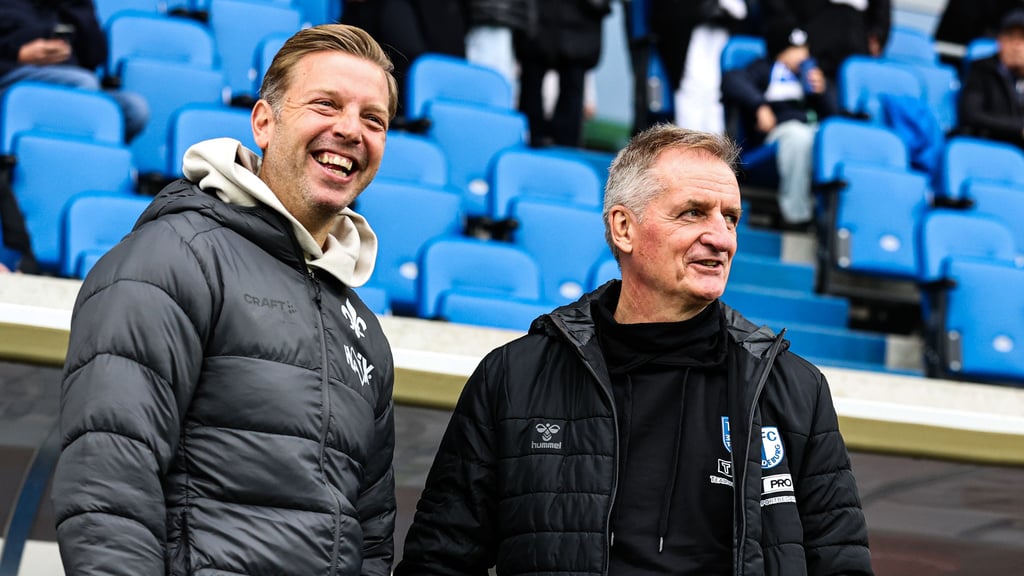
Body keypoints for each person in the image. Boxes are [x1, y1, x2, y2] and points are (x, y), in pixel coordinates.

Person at [396, 124, 873, 576]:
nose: (721, 237)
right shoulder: (513, 376)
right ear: (623, 227)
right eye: (694, 212)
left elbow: (842, 564)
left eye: (730, 218)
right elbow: (438, 561)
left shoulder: (795, 389)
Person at [52, 24, 398, 575]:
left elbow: (373, 539)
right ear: (264, 121)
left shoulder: (363, 330)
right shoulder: (171, 258)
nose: (351, 130)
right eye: (325, 104)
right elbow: (108, 485)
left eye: (373, 119)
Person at [722, 24, 837, 229]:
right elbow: (732, 79)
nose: (802, 56)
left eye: (805, 50)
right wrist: (760, 105)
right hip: (778, 133)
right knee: (798, 136)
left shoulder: (810, 76)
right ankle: (796, 216)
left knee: (833, 139)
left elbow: (835, 115)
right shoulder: (764, 67)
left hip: (813, 130)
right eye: (795, 50)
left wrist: (823, 91)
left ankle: (834, 220)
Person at [0, 0, 149, 142]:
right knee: (82, 85)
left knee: (133, 109)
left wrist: (76, 5)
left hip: (66, 77)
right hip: (10, 76)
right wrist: (18, 55)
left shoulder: (66, 5)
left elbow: (94, 57)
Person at [514, 0, 611, 147]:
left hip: (569, 27)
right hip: (543, 25)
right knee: (534, 88)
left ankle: (556, 148)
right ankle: (538, 144)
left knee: (568, 91)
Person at [650, 0, 750, 133]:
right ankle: (690, 147)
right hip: (684, 30)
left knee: (715, 92)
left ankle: (714, 148)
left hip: (721, 29)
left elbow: (741, 12)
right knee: (692, 91)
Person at [760, 0, 891, 83]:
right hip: (800, 51)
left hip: (846, 58)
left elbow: (880, 23)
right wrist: (793, 43)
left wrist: (877, 37)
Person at [958, 8, 1024, 148]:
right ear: (1000, 41)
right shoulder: (981, 69)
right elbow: (971, 115)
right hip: (985, 144)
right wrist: (1019, 128)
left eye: (1022, 38)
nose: (1016, 45)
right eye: (1011, 37)